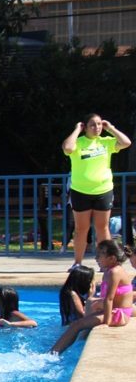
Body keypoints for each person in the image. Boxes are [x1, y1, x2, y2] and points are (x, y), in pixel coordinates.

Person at [62, 114, 131, 270]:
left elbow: (126, 142)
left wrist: (111, 128)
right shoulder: (78, 143)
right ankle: (77, 263)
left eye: (99, 124)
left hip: (103, 190)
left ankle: (106, 263)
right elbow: (67, 148)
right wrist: (76, 130)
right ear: (85, 127)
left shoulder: (106, 142)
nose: (97, 128)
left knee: (103, 227)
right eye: (92, 125)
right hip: (80, 191)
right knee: (81, 228)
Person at [51, 239, 133, 354]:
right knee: (82, 318)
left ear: (112, 258)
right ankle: (62, 348)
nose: (96, 258)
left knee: (76, 325)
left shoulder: (115, 272)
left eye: (100, 255)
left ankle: (53, 353)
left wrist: (106, 322)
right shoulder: (110, 271)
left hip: (120, 314)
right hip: (116, 311)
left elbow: (109, 299)